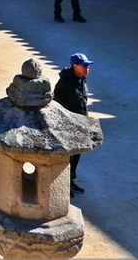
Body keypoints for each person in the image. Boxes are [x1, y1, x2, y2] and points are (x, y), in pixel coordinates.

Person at [53, 53, 93, 195]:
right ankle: (62, 185)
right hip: (67, 126)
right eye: (84, 66)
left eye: (88, 66)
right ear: (75, 66)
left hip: (80, 124)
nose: (87, 69)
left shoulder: (81, 80)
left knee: (76, 154)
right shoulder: (64, 83)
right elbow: (56, 106)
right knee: (66, 156)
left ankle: (70, 180)